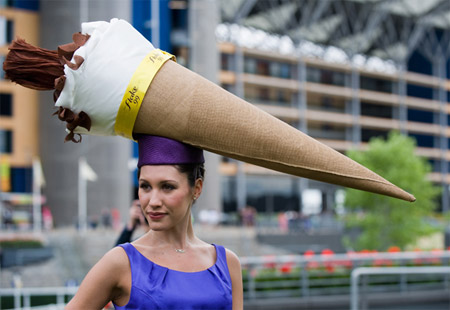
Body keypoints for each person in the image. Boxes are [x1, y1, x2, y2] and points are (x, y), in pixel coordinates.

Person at [65, 135, 243, 310]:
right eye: (145, 186)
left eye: (167, 187)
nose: (153, 201)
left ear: (196, 188)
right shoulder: (120, 262)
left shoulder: (227, 263)